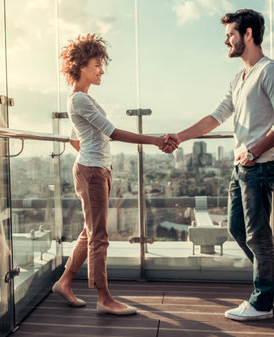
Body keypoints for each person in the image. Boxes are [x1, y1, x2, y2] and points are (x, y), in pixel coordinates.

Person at [164, 9, 274, 320]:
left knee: (257, 235)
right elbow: (215, 117)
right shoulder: (239, 78)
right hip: (244, 167)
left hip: (260, 165)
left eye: (231, 34)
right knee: (238, 228)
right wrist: (179, 137)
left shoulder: (271, 71)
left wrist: (253, 152)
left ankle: (262, 302)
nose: (226, 40)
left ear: (248, 34)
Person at [52, 33, 175, 315]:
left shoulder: (83, 100)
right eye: (97, 64)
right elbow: (113, 132)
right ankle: (104, 297)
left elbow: (75, 139)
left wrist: (92, 155)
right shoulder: (79, 100)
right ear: (82, 65)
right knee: (99, 236)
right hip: (93, 172)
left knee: (90, 231)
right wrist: (156, 140)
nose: (101, 69)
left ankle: (65, 282)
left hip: (97, 169)